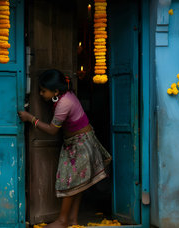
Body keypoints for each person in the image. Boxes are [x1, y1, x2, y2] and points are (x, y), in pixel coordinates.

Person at [18, 69, 111, 228]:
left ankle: (62, 220)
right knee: (78, 183)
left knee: (70, 182)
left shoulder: (64, 103)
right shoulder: (64, 96)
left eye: (43, 91)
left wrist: (31, 119)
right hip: (77, 142)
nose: (40, 94)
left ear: (55, 91)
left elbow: (53, 129)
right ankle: (72, 220)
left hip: (81, 144)